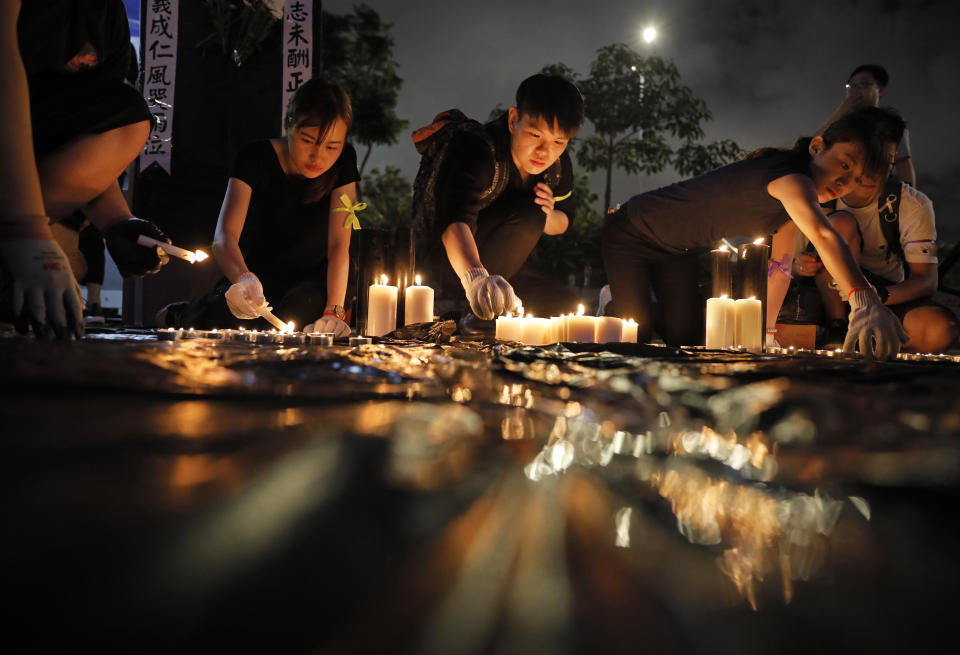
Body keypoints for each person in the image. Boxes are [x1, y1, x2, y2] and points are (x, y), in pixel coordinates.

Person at [601, 106, 908, 360]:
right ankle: (615, 302)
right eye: (844, 164)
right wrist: (864, 300)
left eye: (856, 179)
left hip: (679, 250)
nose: (844, 182)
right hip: (633, 232)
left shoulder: (794, 202)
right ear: (817, 147)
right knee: (634, 336)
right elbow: (824, 235)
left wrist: (768, 333)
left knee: (684, 337)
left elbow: (781, 266)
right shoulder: (792, 180)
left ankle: (639, 300)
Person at [0, 0, 170, 339]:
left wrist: (117, 222)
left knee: (130, 116)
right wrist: (26, 232)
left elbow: (96, 124)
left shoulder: (107, 14)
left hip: (36, 188)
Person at [160, 79, 357, 337]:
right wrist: (243, 277)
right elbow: (224, 237)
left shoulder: (344, 162)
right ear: (288, 124)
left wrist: (334, 309)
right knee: (229, 322)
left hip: (317, 280)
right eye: (307, 140)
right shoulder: (255, 157)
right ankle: (184, 312)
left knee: (296, 318)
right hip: (258, 275)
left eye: (332, 146)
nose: (318, 156)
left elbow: (339, 245)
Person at [421, 73, 585, 326]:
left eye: (558, 141)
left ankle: (492, 306)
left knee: (562, 308)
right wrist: (476, 278)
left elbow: (565, 218)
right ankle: (474, 311)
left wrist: (548, 215)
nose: (545, 151)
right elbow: (453, 222)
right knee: (532, 213)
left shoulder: (557, 166)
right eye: (534, 135)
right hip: (454, 262)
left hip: (510, 267)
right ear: (512, 119)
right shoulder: (478, 150)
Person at [791, 145, 957, 353]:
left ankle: (861, 341)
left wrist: (874, 296)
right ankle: (838, 328)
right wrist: (800, 267)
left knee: (938, 329)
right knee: (840, 224)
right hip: (826, 295)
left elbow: (926, 281)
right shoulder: (818, 193)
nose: (872, 170)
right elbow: (784, 269)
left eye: (884, 160)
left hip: (884, 294)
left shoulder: (909, 203)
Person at [820, 64, 916, 187]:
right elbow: (813, 146)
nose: (856, 89)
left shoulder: (891, 123)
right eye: (851, 85)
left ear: (880, 90)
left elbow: (903, 163)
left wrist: (910, 198)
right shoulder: (842, 122)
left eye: (864, 84)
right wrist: (842, 110)